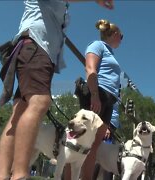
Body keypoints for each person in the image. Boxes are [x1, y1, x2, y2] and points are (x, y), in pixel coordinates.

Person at [0, 1, 114, 180]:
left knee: (19, 112)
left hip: (36, 49)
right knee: (40, 102)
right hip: (36, 45)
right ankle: (19, 174)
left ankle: (0, 175)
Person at [65, 19, 123, 180]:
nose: (122, 40)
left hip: (110, 101)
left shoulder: (111, 53)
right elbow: (90, 69)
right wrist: (95, 95)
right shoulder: (97, 45)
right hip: (98, 95)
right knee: (80, 143)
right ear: (114, 34)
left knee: (93, 146)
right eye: (121, 36)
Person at [93, 102, 121, 180]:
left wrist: (108, 127)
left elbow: (109, 106)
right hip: (108, 122)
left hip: (108, 123)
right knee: (98, 154)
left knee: (98, 154)